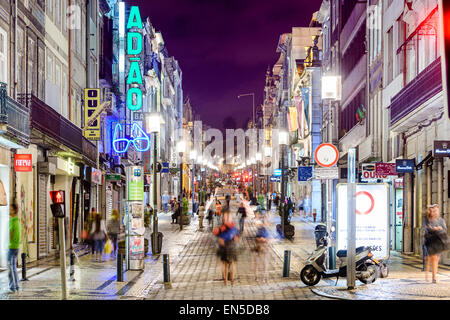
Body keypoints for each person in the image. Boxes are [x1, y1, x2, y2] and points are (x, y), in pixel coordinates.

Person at [422, 204, 449, 283]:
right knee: (430, 259)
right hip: (430, 240)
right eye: (433, 211)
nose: (435, 212)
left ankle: (433, 276)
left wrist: (439, 228)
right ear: (430, 211)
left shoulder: (441, 220)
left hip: (438, 241)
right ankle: (430, 275)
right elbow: (424, 228)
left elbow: (444, 229)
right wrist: (430, 228)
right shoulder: (426, 220)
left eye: (436, 211)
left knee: (435, 259)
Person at [213, 209, 239, 285]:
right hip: (224, 246)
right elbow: (216, 235)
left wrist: (235, 238)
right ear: (223, 218)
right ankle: (225, 279)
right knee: (225, 263)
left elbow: (237, 236)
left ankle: (232, 279)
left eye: (228, 217)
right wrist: (219, 240)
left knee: (232, 262)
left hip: (231, 245)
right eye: (225, 217)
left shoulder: (233, 227)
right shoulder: (221, 228)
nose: (227, 218)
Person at [8, 203, 20, 293]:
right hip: (16, 247)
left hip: (11, 247)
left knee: (10, 267)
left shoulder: (12, 221)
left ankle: (12, 286)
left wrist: (9, 241)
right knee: (14, 267)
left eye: (11, 209)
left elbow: (11, 234)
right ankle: (17, 285)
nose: (9, 211)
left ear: (14, 211)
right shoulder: (17, 221)